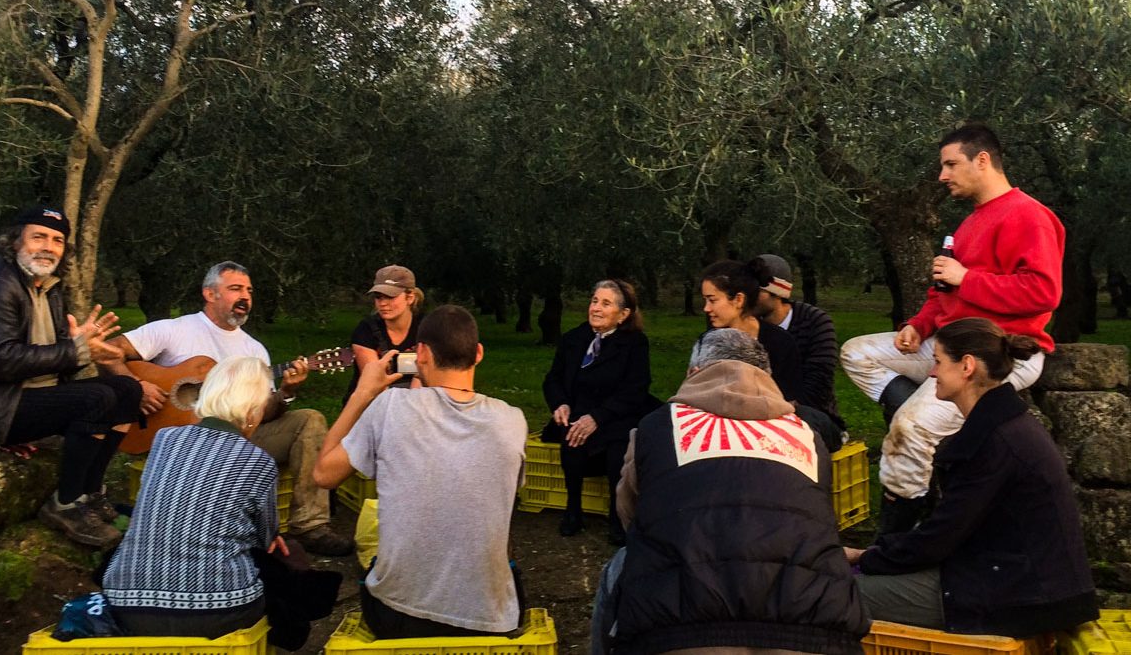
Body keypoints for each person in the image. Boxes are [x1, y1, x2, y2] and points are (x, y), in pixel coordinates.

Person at [840, 123, 1065, 534]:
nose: (942, 176)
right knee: (857, 353)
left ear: (982, 160)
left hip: (996, 355)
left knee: (911, 428)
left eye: (950, 164)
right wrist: (918, 325)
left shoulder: (1028, 216)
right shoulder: (968, 224)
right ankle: (923, 417)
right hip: (947, 348)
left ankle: (899, 537)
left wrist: (968, 278)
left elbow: (1043, 292)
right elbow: (943, 292)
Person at [590, 328, 869, 655]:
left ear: (693, 373)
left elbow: (631, 514)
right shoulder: (808, 436)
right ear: (767, 377)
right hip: (819, 633)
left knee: (620, 565)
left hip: (675, 631)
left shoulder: (656, 426)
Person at [844, 318, 1098, 637]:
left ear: (966, 366)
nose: (932, 372)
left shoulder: (994, 441)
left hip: (1019, 595)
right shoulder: (1005, 425)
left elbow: (940, 537)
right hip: (1021, 580)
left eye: (937, 362)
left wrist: (864, 557)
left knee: (830, 594)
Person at [105, 261, 352, 556]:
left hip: (237, 441)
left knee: (309, 419)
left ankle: (309, 525)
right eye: (235, 289)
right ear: (210, 294)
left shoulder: (254, 351)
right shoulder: (174, 330)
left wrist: (286, 392)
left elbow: (264, 415)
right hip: (174, 441)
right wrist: (136, 386)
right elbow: (109, 350)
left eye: (249, 290)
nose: (245, 296)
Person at [313, 305, 527, 638]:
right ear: (479, 354)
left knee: (372, 565)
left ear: (421, 353)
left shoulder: (389, 408)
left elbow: (323, 475)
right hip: (489, 621)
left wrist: (363, 393)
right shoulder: (511, 420)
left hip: (398, 617)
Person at [0, 206, 143, 548]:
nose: (48, 246)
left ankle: (89, 492)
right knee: (98, 399)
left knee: (126, 390)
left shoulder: (48, 288)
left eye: (58, 240)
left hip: (28, 394)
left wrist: (86, 352)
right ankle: (66, 503)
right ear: (15, 242)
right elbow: (1, 360)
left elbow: (54, 357)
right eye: (39, 237)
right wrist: (76, 351)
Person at [103, 357, 327, 640]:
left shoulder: (164, 439)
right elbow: (265, 541)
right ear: (253, 411)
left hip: (125, 606)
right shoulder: (258, 461)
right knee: (289, 556)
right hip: (220, 609)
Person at [542, 280, 658, 544]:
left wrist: (597, 418)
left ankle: (617, 517)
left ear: (623, 314)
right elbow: (553, 379)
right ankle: (573, 510)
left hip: (617, 413)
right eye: (594, 301)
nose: (596, 308)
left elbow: (636, 389)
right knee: (571, 437)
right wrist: (560, 403)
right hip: (578, 410)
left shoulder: (635, 344)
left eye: (606, 303)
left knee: (618, 449)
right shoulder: (574, 339)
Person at [698, 259, 843, 451]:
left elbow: (815, 384)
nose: (752, 296)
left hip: (792, 413)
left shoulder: (806, 326)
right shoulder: (714, 334)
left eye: (758, 291)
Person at [753, 253, 845, 430]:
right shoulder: (747, 324)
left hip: (811, 415)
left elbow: (819, 382)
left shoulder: (815, 321)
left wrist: (781, 409)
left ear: (777, 292)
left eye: (758, 291)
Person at [345, 265, 425, 399]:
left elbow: (426, 375)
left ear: (410, 298)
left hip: (417, 402)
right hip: (373, 404)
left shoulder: (427, 327)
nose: (382, 303)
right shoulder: (366, 330)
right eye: (378, 297)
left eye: (390, 297)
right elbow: (376, 385)